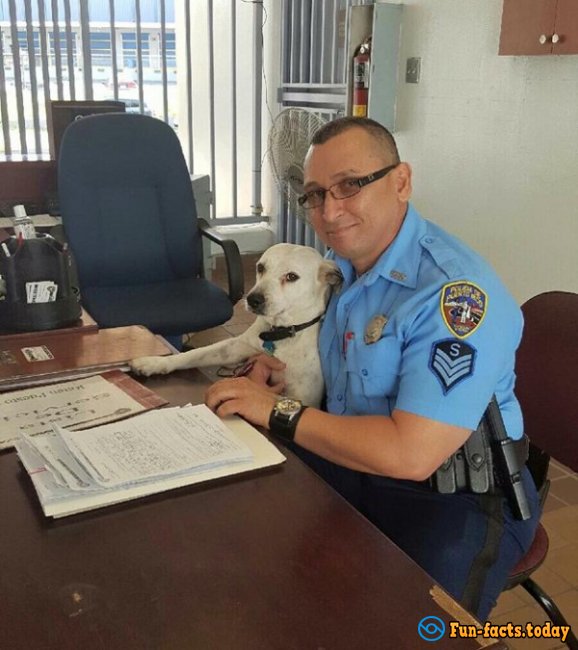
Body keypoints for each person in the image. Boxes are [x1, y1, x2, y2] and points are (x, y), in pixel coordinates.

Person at [205, 117, 540, 620]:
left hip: (459, 495)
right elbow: (343, 387)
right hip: (357, 464)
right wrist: (282, 382)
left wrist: (277, 409)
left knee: (409, 627)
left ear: (401, 181)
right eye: (316, 194)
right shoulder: (340, 274)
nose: (330, 210)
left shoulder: (454, 295)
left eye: (351, 186)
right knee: (250, 526)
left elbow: (411, 454)